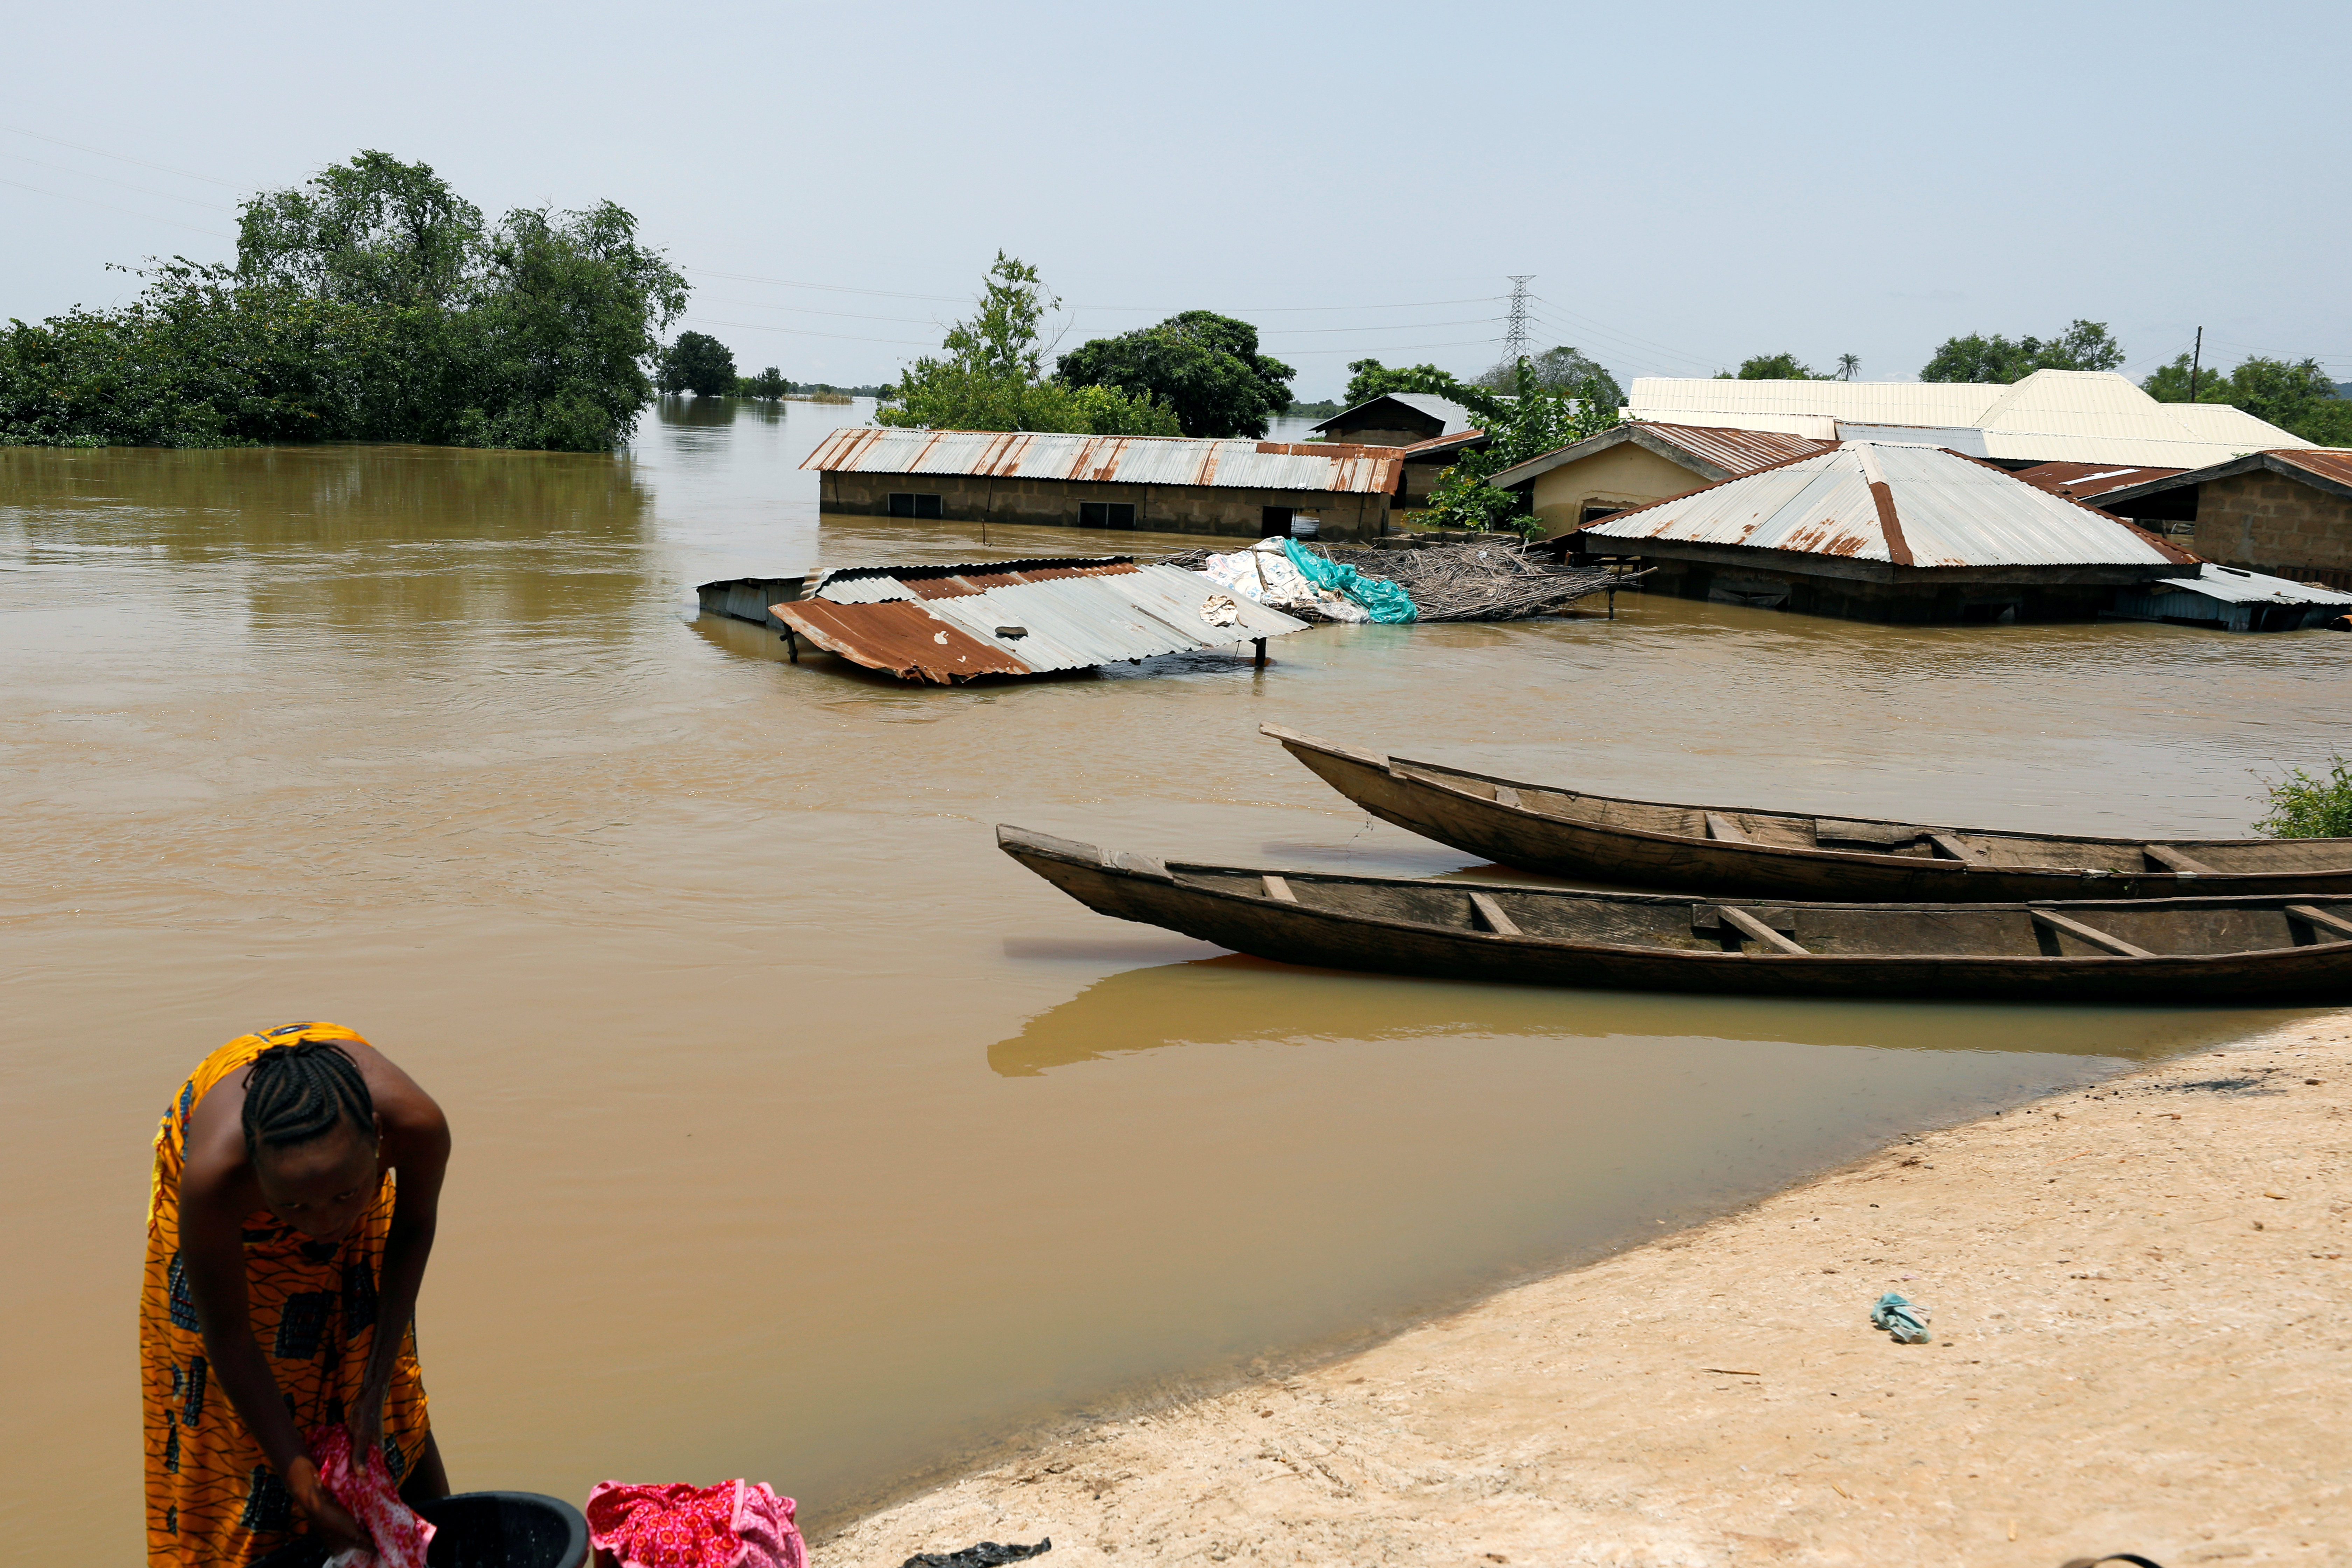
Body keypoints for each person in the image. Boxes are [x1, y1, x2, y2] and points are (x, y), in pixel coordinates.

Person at [142, 1023, 450, 1566]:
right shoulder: (215, 1182)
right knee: (232, 1441)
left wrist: (376, 1386)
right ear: (255, 1170)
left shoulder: (415, 1127)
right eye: (298, 1208)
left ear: (379, 1137)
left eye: (343, 1197)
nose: (325, 1224)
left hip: (338, 1171)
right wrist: (301, 1481)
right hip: (240, 1228)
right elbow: (230, 1338)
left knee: (384, 1399)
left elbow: (413, 1228)